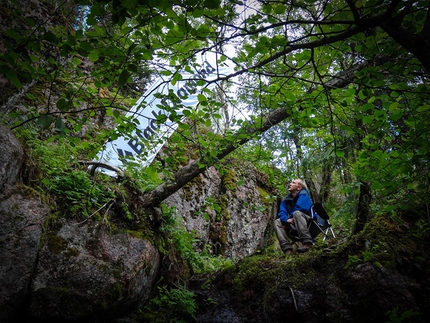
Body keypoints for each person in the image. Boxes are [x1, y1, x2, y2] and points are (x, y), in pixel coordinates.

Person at [274, 179, 315, 254]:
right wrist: (286, 220)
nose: (290, 184)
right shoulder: (286, 200)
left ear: (299, 187)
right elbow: (282, 212)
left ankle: (307, 242)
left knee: (297, 213)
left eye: (293, 183)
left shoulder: (304, 194)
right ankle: (287, 249)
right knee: (277, 222)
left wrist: (291, 218)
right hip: (294, 224)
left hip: (309, 222)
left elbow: (302, 208)